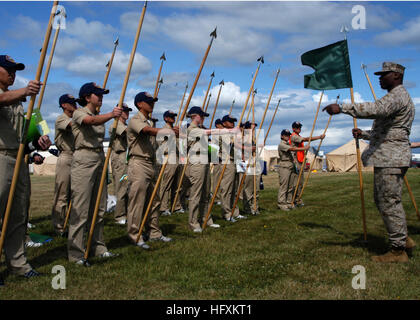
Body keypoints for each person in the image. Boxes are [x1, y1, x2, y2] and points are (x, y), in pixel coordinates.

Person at [323, 62, 415, 262]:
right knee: (384, 200)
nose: (380, 78)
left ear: (397, 76)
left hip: (391, 157)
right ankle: (402, 237)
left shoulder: (397, 95)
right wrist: (364, 134)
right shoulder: (397, 96)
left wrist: (342, 107)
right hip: (389, 155)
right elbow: (388, 131)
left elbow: (376, 109)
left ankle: (398, 250)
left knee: (389, 201)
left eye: (384, 75)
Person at [0, 55, 51, 278]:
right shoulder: (12, 96)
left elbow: (21, 137)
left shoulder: (20, 102)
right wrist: (24, 91)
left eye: (16, 70)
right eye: (8, 69)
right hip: (0, 159)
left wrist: (35, 143)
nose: (13, 74)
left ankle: (18, 263)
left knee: (19, 213)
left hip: (19, 159)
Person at [68, 82, 120, 265]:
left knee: (99, 207)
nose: (101, 97)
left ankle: (99, 247)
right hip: (83, 159)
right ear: (87, 97)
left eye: (102, 94)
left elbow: (97, 121)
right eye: (97, 94)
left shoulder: (99, 115)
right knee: (81, 208)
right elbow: (90, 122)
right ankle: (76, 253)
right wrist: (111, 115)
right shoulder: (79, 113)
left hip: (99, 158)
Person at [126, 92, 176, 250]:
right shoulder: (135, 120)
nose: (151, 104)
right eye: (148, 102)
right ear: (140, 104)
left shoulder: (149, 122)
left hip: (151, 163)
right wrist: (168, 131)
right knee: (137, 202)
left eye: (153, 101)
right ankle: (135, 235)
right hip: (138, 163)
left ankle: (154, 231)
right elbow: (147, 131)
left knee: (154, 201)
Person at [185, 107, 239, 232]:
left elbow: (208, 143)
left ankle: (206, 219)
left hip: (205, 162)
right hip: (196, 162)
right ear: (194, 116)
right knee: (196, 194)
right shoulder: (191, 129)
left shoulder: (201, 129)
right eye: (201, 116)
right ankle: (193, 222)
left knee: (206, 194)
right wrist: (229, 130)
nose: (203, 118)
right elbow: (208, 133)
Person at [51, 94, 77, 237]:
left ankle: (72, 223)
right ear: (64, 105)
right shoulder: (62, 118)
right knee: (62, 193)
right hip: (66, 156)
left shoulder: (75, 118)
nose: (75, 105)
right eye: (72, 103)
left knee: (76, 193)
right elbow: (73, 126)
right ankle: (59, 226)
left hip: (76, 156)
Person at [289, 121, 325, 207]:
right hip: (296, 161)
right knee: (296, 182)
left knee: (300, 182)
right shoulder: (293, 136)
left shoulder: (298, 136)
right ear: (293, 128)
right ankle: (293, 200)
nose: (299, 129)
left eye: (300, 127)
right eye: (297, 127)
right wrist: (319, 137)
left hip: (300, 160)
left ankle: (297, 199)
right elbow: (305, 139)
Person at [218, 115, 246, 221]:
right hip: (226, 162)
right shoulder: (223, 133)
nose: (232, 123)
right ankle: (226, 213)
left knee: (234, 189)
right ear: (224, 123)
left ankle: (235, 211)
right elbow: (232, 144)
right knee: (227, 189)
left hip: (234, 161)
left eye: (233, 121)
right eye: (230, 121)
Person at [158, 110, 184, 216]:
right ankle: (163, 207)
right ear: (166, 118)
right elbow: (160, 144)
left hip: (177, 158)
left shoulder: (176, 131)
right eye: (170, 116)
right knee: (166, 184)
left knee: (177, 185)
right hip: (168, 158)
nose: (173, 118)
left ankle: (176, 206)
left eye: (174, 116)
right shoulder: (164, 130)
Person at [109, 103, 131, 225]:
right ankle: (119, 215)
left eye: (128, 111)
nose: (127, 113)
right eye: (125, 110)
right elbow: (128, 132)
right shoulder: (115, 124)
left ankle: (126, 212)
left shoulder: (126, 125)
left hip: (126, 157)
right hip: (119, 157)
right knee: (121, 186)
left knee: (128, 186)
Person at [277, 129, 309, 211]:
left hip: (291, 165)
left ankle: (289, 202)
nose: (287, 137)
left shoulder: (288, 143)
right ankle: (281, 203)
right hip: (284, 165)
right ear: (282, 136)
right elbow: (292, 149)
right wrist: (304, 148)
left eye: (288, 135)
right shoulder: (281, 144)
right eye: (285, 135)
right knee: (284, 185)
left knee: (291, 186)